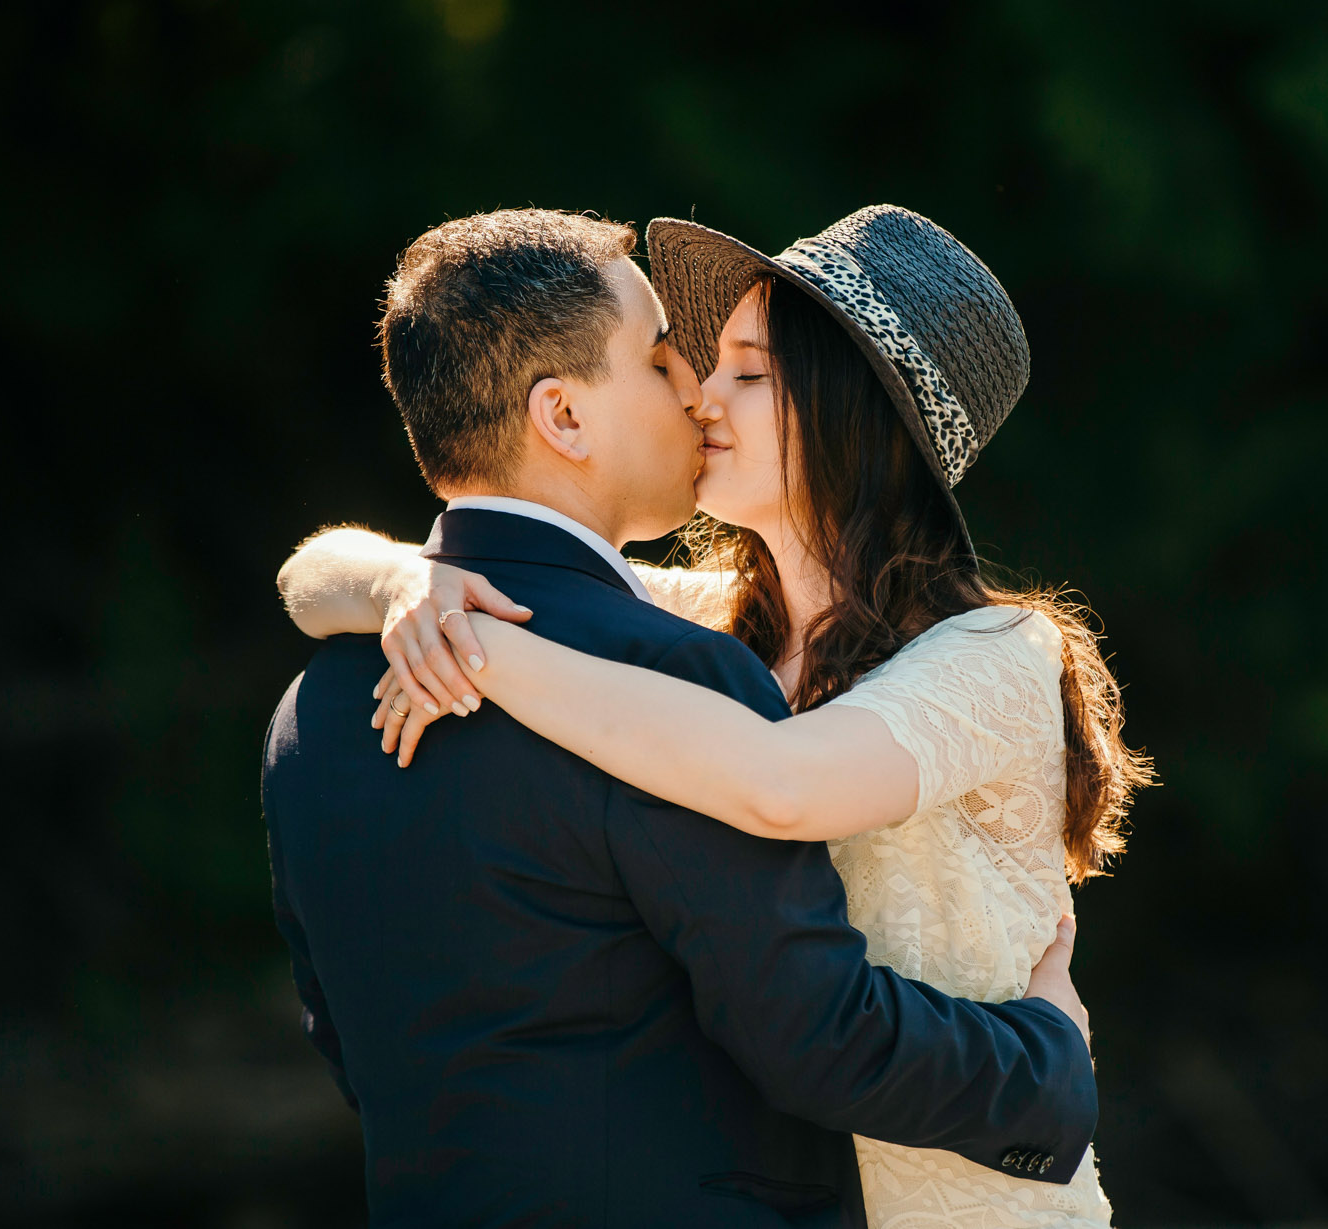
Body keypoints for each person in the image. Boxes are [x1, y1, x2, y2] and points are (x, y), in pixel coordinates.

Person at [282, 205, 1153, 1226]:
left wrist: (471, 642)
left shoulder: (995, 657)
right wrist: (398, 586)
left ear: (850, 415)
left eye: (748, 370)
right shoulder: (707, 625)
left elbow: (775, 782)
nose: (698, 392)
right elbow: (311, 578)